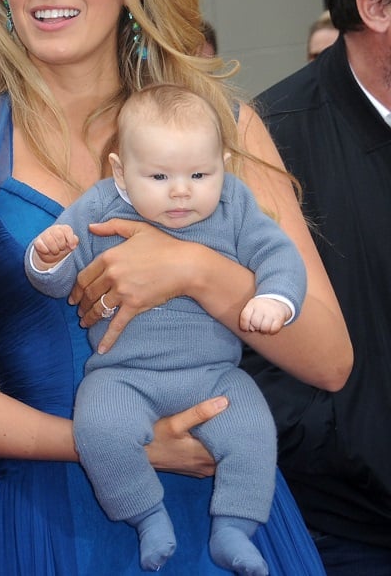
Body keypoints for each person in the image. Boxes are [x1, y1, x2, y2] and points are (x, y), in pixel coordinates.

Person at [0, 0, 352, 575]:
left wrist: (198, 270)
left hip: (220, 521)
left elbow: (330, 358)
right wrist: (117, 444)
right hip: (44, 526)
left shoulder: (226, 129)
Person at [27, 83, 305, 574]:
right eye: (158, 176)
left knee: (253, 429)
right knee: (99, 428)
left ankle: (234, 528)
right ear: (120, 173)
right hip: (123, 374)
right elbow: (60, 282)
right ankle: (145, 515)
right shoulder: (99, 207)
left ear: (223, 163)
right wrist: (48, 258)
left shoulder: (233, 204)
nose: (181, 190)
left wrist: (275, 297)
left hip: (216, 372)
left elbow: (278, 253)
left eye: (200, 174)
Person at [247, 0, 391, 574]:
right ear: (376, 6)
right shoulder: (270, 142)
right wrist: (347, 448)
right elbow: (245, 341)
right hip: (344, 531)